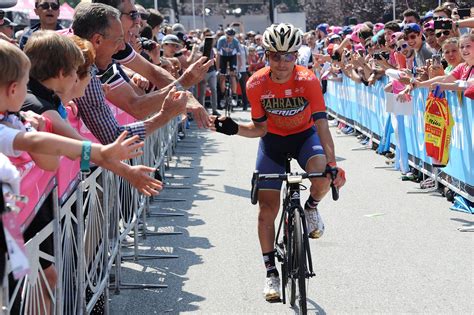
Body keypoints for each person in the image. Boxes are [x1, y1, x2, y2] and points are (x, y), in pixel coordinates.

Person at [211, 23, 346, 301]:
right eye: (276, 56)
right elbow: (258, 129)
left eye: (289, 56)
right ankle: (271, 271)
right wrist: (234, 128)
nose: (283, 63)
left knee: (321, 175)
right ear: (266, 55)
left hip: (304, 138)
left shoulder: (308, 80)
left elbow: (322, 125)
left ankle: (310, 208)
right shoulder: (256, 84)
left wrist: (331, 163)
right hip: (272, 142)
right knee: (266, 210)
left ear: (297, 56)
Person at [216, 28, 240, 104]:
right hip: (223, 57)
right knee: (222, 76)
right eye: (228, 37)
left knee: (232, 75)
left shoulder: (236, 42)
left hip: (232, 56)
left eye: (231, 38)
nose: (229, 39)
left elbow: (238, 57)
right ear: (225, 35)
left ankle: (233, 95)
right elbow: (218, 56)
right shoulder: (221, 40)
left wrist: (238, 69)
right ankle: (223, 96)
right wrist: (217, 69)